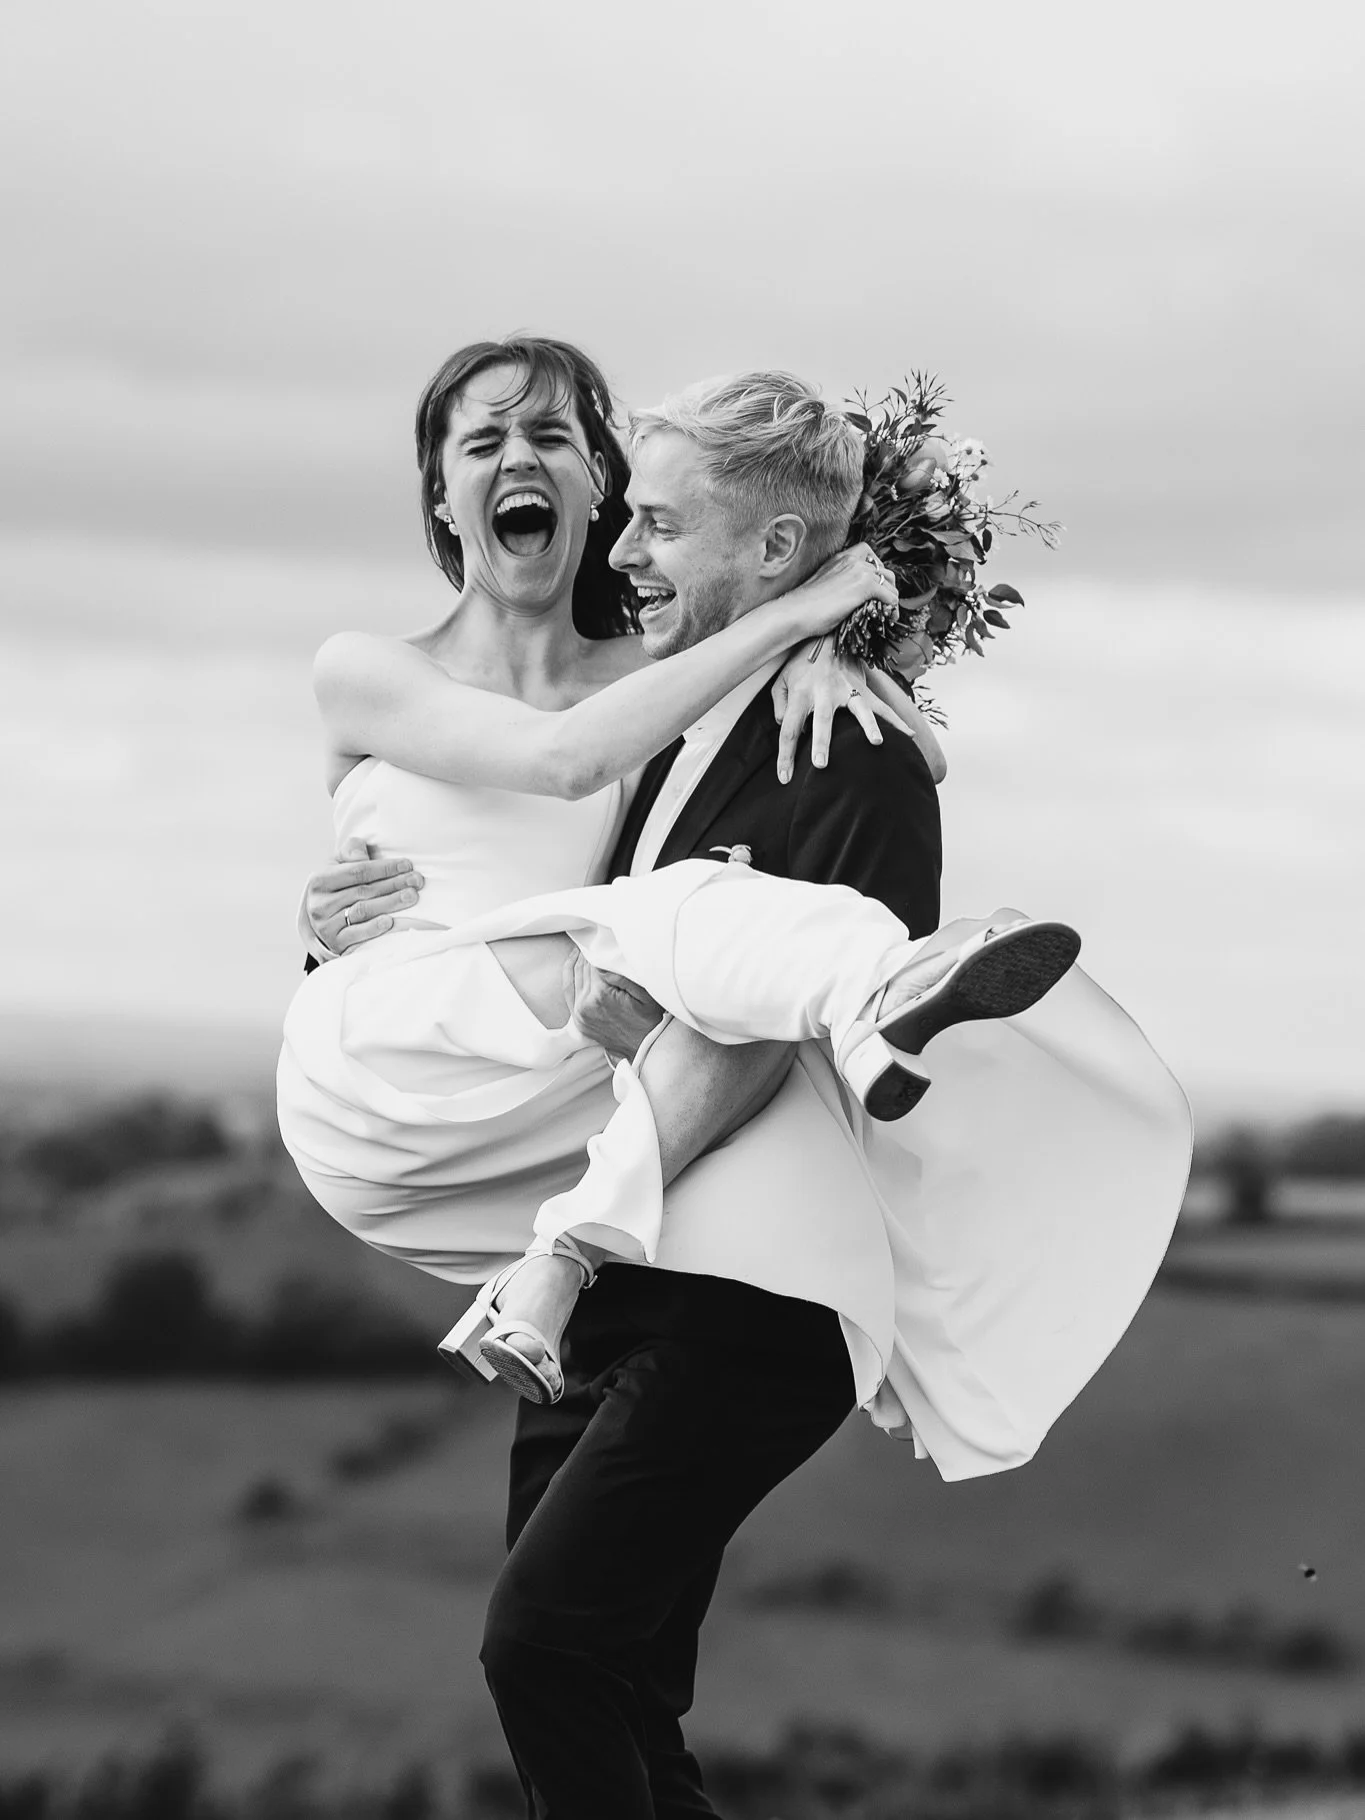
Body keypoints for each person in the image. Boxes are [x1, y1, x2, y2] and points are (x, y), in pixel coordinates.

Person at [288, 345, 1191, 1817]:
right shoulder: (646, 716)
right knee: (620, 1689)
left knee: (546, 1648)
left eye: (650, 514)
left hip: (745, 1286)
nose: (631, 546)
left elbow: (741, 1043)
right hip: (615, 1243)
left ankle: (878, 985)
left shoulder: (846, 742)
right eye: (628, 515)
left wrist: (571, 1243)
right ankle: (866, 979)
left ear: (769, 548)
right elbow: (524, 811)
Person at [278, 339, 1080, 1404]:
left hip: (555, 1082)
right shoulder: (370, 667)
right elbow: (563, 762)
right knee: (674, 919)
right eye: (483, 440)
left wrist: (829, 654)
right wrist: (800, 613)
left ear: (597, 482)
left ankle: (560, 1274)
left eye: (552, 434)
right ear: (441, 493)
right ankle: (879, 983)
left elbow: (915, 757)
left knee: (722, 1014)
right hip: (394, 1061)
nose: (518, 454)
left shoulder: (657, 669)